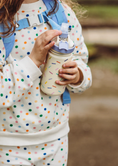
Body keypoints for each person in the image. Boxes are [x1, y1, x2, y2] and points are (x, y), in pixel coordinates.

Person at [0, 0, 92, 165]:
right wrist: (33, 60)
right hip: (7, 144)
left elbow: (82, 63)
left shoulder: (61, 12)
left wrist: (77, 75)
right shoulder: (3, 17)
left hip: (56, 140)